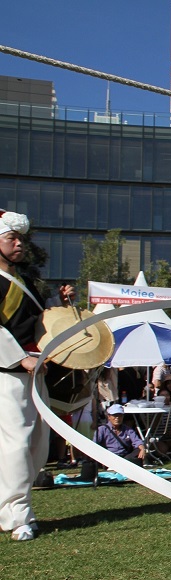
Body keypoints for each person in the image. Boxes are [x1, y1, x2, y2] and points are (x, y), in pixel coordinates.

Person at [0, 211, 49, 540]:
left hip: (35, 367)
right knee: (16, 445)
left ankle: (15, 507)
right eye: (10, 238)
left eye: (20, 239)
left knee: (36, 446)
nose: (18, 244)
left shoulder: (28, 282)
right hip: (9, 371)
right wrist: (19, 358)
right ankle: (18, 516)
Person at [87, 404, 145, 481]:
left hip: (124, 457)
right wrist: (101, 458)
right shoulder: (102, 430)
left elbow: (137, 441)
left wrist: (142, 449)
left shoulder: (128, 430)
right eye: (114, 415)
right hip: (108, 457)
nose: (117, 418)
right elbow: (94, 445)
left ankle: (123, 467)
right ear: (109, 417)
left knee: (138, 450)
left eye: (120, 415)